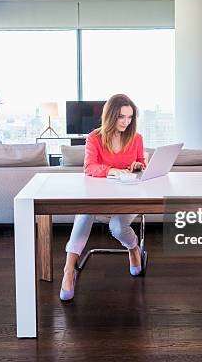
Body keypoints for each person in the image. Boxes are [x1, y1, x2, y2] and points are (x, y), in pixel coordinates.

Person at [60, 94, 147, 302]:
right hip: (99, 195)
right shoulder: (94, 138)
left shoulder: (136, 138)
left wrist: (138, 166)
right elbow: (89, 167)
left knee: (118, 228)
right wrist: (113, 171)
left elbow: (142, 163)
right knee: (84, 212)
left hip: (128, 196)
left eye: (129, 117)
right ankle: (69, 269)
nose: (126, 122)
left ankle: (133, 248)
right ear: (110, 116)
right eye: (121, 117)